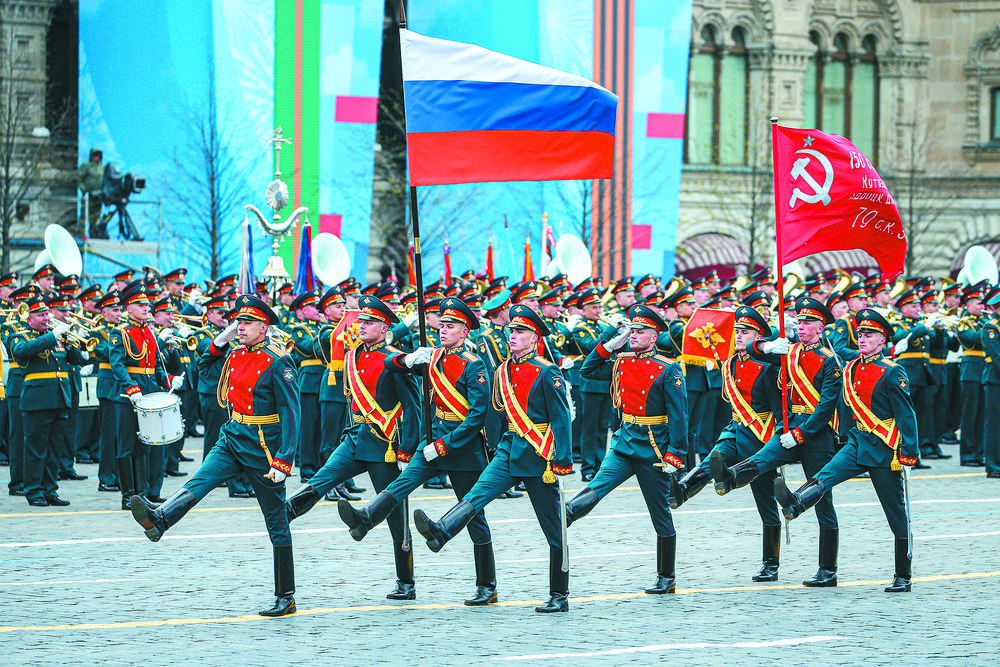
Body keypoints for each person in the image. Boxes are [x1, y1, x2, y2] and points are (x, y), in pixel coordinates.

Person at [130, 294, 301, 617]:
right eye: (238, 322)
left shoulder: (278, 360)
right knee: (201, 479)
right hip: (233, 435)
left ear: (264, 327)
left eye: (247, 323)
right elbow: (204, 367)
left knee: (276, 521)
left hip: (263, 446)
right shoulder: (235, 354)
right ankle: (162, 518)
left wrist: (284, 460)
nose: (240, 328)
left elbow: (293, 413)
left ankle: (285, 595)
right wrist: (222, 338)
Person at [412, 304, 573, 613]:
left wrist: (562, 460)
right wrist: (495, 446)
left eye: (520, 332)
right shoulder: (502, 369)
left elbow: (561, 419)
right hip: (509, 449)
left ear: (535, 338)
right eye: (511, 330)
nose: (512, 336)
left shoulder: (547, 371)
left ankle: (559, 594)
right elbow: (496, 415)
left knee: (553, 528)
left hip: (539, 456)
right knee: (476, 495)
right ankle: (442, 530)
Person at [338, 297, 498, 605]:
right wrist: (409, 360)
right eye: (442, 325)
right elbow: (387, 362)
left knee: (473, 513)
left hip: (461, 446)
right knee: (402, 482)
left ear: (464, 332)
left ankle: (487, 585)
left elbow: (477, 416)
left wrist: (443, 445)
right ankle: (366, 517)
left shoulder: (474, 365)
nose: (443, 330)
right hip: (433, 438)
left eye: (450, 327)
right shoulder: (433, 356)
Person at [284, 296, 421, 601]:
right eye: (361, 321)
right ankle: (286, 512)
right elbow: (351, 399)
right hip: (356, 436)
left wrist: (407, 450)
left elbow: (413, 408)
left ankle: (406, 581)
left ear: (385, 328)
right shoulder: (352, 355)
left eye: (370, 323)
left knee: (394, 513)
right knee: (321, 479)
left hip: (384, 443)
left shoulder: (395, 359)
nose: (362, 327)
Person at [775, 308, 917, 593]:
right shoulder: (851, 367)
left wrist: (909, 454)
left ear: (883, 339)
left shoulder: (892, 371)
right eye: (861, 334)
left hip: (884, 448)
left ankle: (903, 574)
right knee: (826, 475)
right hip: (856, 441)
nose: (863, 338)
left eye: (870, 335)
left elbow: (906, 414)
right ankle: (796, 503)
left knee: (895, 514)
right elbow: (845, 407)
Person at [711, 297, 842, 586]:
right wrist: (769, 346)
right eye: (800, 321)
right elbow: (754, 349)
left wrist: (802, 433)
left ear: (820, 328)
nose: (802, 326)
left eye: (808, 323)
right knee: (760, 460)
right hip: (787, 425)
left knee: (822, 499)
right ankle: (730, 476)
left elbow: (826, 408)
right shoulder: (789, 352)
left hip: (815, 433)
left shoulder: (830, 361)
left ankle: (827, 569)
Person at [564, 304, 687, 594]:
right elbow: (588, 369)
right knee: (597, 486)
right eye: (632, 330)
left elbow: (680, 416)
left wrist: (675, 455)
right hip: (624, 442)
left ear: (654, 336)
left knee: (660, 513)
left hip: (653, 448)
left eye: (640, 331)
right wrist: (612, 344)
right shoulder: (622, 361)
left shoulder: (668, 369)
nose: (634, 335)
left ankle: (666, 576)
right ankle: (565, 516)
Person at [668, 305, 784, 582]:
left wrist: (780, 440)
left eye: (746, 332)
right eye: (738, 331)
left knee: (765, 501)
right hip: (736, 429)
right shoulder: (731, 362)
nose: (739, 336)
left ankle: (771, 563)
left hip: (761, 433)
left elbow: (780, 408)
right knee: (713, 459)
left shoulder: (768, 364)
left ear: (760, 335)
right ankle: (683, 490)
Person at [108, 281, 183, 510]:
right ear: (128, 308)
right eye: (140, 304)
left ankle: (141, 495)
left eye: (147, 304)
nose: (146, 308)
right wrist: (131, 389)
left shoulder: (149, 333)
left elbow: (157, 367)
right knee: (126, 444)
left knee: (144, 444)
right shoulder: (119, 332)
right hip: (128, 395)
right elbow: (118, 365)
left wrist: (171, 380)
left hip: (149, 393)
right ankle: (127, 496)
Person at [10, 295, 87, 506]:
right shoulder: (20, 336)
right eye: (40, 315)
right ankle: (34, 491)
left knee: (54, 449)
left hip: (60, 399)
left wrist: (71, 344)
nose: (46, 318)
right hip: (37, 401)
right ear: (29, 318)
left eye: (47, 314)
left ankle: (50, 490)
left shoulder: (57, 338)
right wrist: (52, 336)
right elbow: (22, 352)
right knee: (36, 449)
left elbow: (76, 360)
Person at [571, 288, 618, 481]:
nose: (599, 310)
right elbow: (592, 348)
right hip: (590, 383)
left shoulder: (602, 325)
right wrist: (611, 331)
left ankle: (600, 465)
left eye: (599, 306)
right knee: (589, 427)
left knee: (602, 428)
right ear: (584, 309)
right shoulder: (581, 327)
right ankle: (588, 468)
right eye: (594, 307)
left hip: (606, 381)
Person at [287, 289, 325, 482]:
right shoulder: (300, 329)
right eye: (312, 306)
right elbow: (310, 348)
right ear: (303, 309)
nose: (317, 309)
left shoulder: (324, 328)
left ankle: (320, 465)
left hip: (326, 382)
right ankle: (307, 467)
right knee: (308, 427)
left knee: (322, 428)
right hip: (309, 383)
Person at [77, 148, 106, 237]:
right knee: (84, 216)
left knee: (96, 217)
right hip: (88, 196)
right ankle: (81, 235)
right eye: (95, 155)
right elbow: (78, 178)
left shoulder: (102, 168)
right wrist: (84, 190)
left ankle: (94, 235)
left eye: (98, 156)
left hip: (98, 197)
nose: (96, 157)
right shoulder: (86, 166)